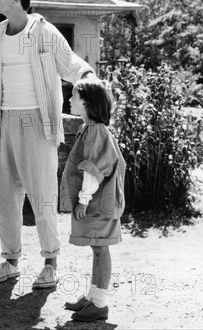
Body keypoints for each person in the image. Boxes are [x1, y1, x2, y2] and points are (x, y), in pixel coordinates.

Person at [0, 0, 95, 288]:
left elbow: (72, 65)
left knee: (41, 196)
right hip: (2, 124)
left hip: (38, 124)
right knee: (5, 198)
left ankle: (50, 264)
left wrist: (88, 82)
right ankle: (10, 261)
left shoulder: (45, 33)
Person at [60, 77, 125, 322]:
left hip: (100, 203)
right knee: (97, 249)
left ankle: (100, 304)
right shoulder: (88, 128)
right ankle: (93, 297)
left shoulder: (96, 131)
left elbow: (94, 169)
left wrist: (84, 199)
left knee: (101, 250)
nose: (69, 99)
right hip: (98, 203)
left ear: (86, 103)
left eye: (74, 96)